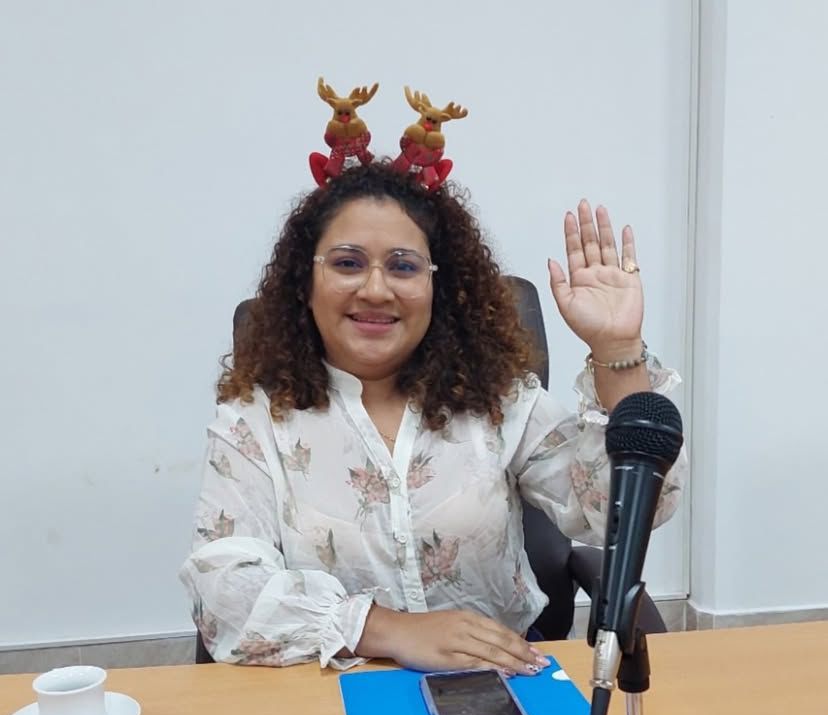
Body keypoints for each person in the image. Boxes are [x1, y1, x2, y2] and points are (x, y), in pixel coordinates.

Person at [179, 161, 685, 676]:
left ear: (437, 286)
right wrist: (387, 629)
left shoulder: (497, 399)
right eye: (348, 263)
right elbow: (221, 588)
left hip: (497, 676)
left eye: (403, 267)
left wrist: (617, 349)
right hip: (322, 687)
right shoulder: (255, 420)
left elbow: (628, 510)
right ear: (305, 283)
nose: (376, 289)